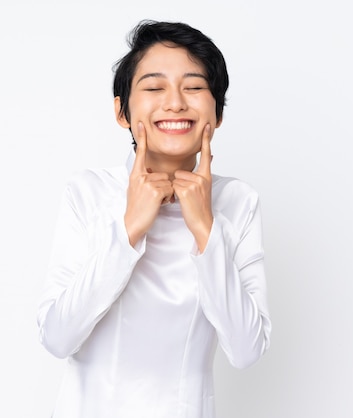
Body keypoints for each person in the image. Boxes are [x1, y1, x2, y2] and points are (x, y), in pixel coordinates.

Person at [37, 20, 271, 418]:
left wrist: (205, 229)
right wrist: (129, 229)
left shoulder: (237, 202)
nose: (176, 102)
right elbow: (58, 338)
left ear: (218, 111)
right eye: (154, 87)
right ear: (122, 111)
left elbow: (246, 350)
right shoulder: (88, 193)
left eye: (194, 87)